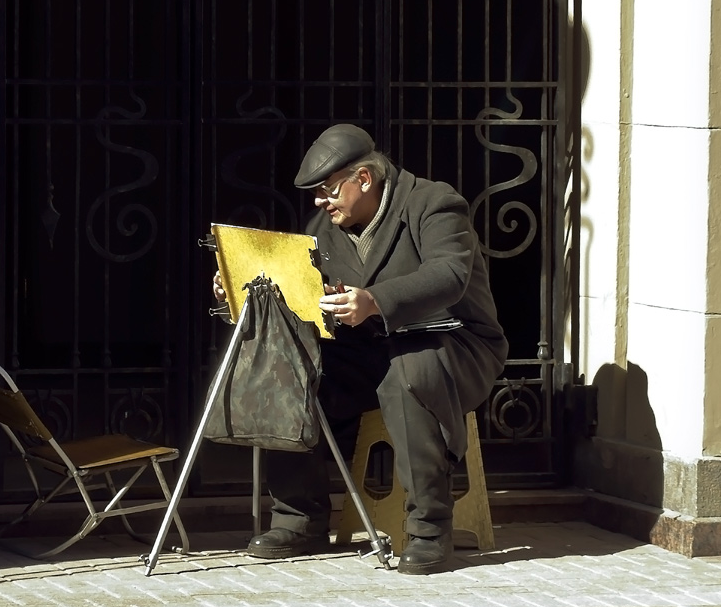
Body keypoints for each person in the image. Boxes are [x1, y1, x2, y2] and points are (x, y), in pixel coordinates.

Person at [211, 123, 508, 574]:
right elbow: (304, 295)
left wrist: (374, 300)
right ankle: (299, 519)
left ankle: (430, 529)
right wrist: (240, 288)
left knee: (407, 376)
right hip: (366, 347)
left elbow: (449, 274)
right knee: (295, 369)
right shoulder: (322, 229)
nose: (319, 202)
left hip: (451, 342)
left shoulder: (434, 203)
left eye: (328, 191)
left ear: (364, 179)